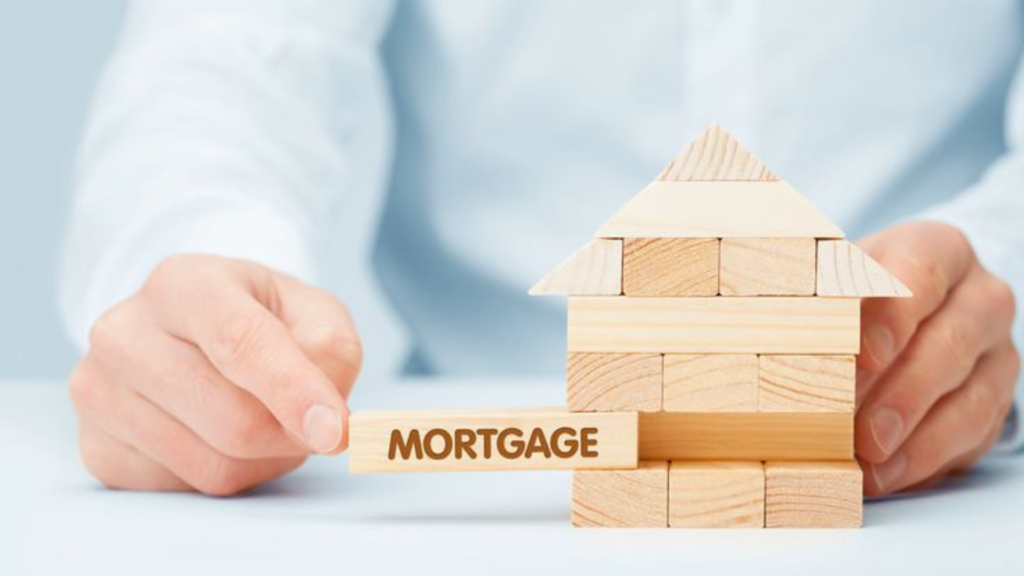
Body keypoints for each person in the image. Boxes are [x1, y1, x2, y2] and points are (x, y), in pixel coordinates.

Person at [62, 0, 1021, 497]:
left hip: (927, 468)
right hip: (460, 439)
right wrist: (207, 281)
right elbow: (228, 53)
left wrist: (991, 282)